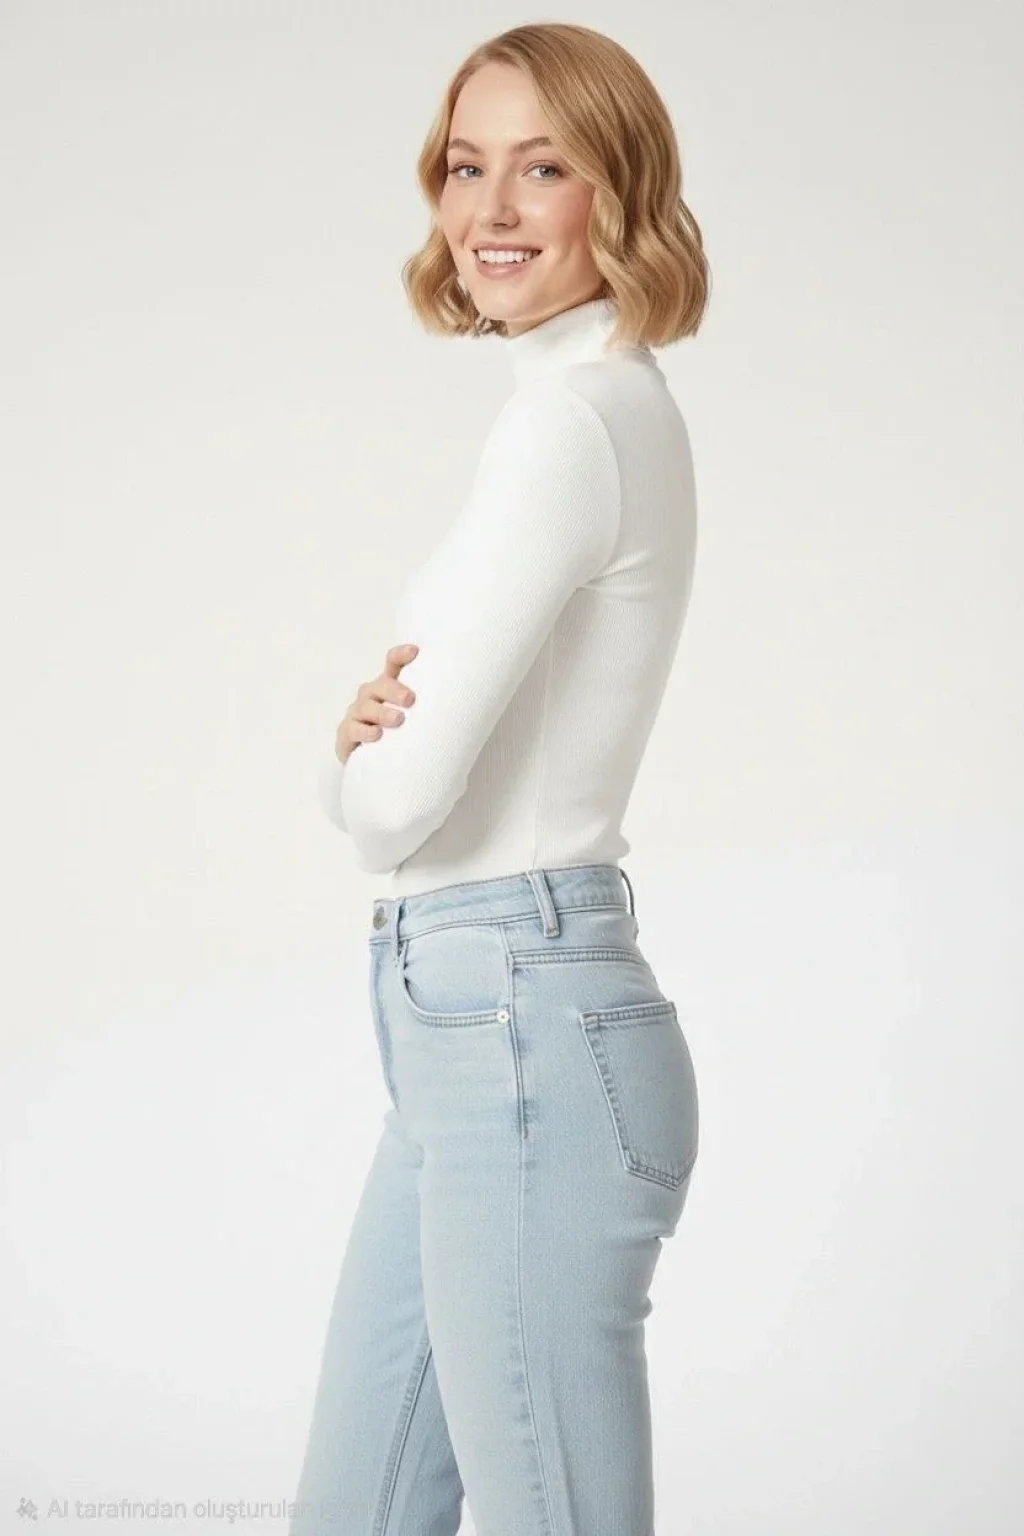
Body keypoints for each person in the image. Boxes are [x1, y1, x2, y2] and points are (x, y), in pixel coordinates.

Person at [294, 21, 710, 1535]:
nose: (492, 210)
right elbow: (401, 780)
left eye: (544, 168)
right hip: (481, 1032)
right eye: (466, 168)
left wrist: (353, 766)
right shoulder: (598, 408)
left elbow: (398, 806)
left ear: (621, 189)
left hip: (517, 1018)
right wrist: (366, 759)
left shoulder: (571, 423)